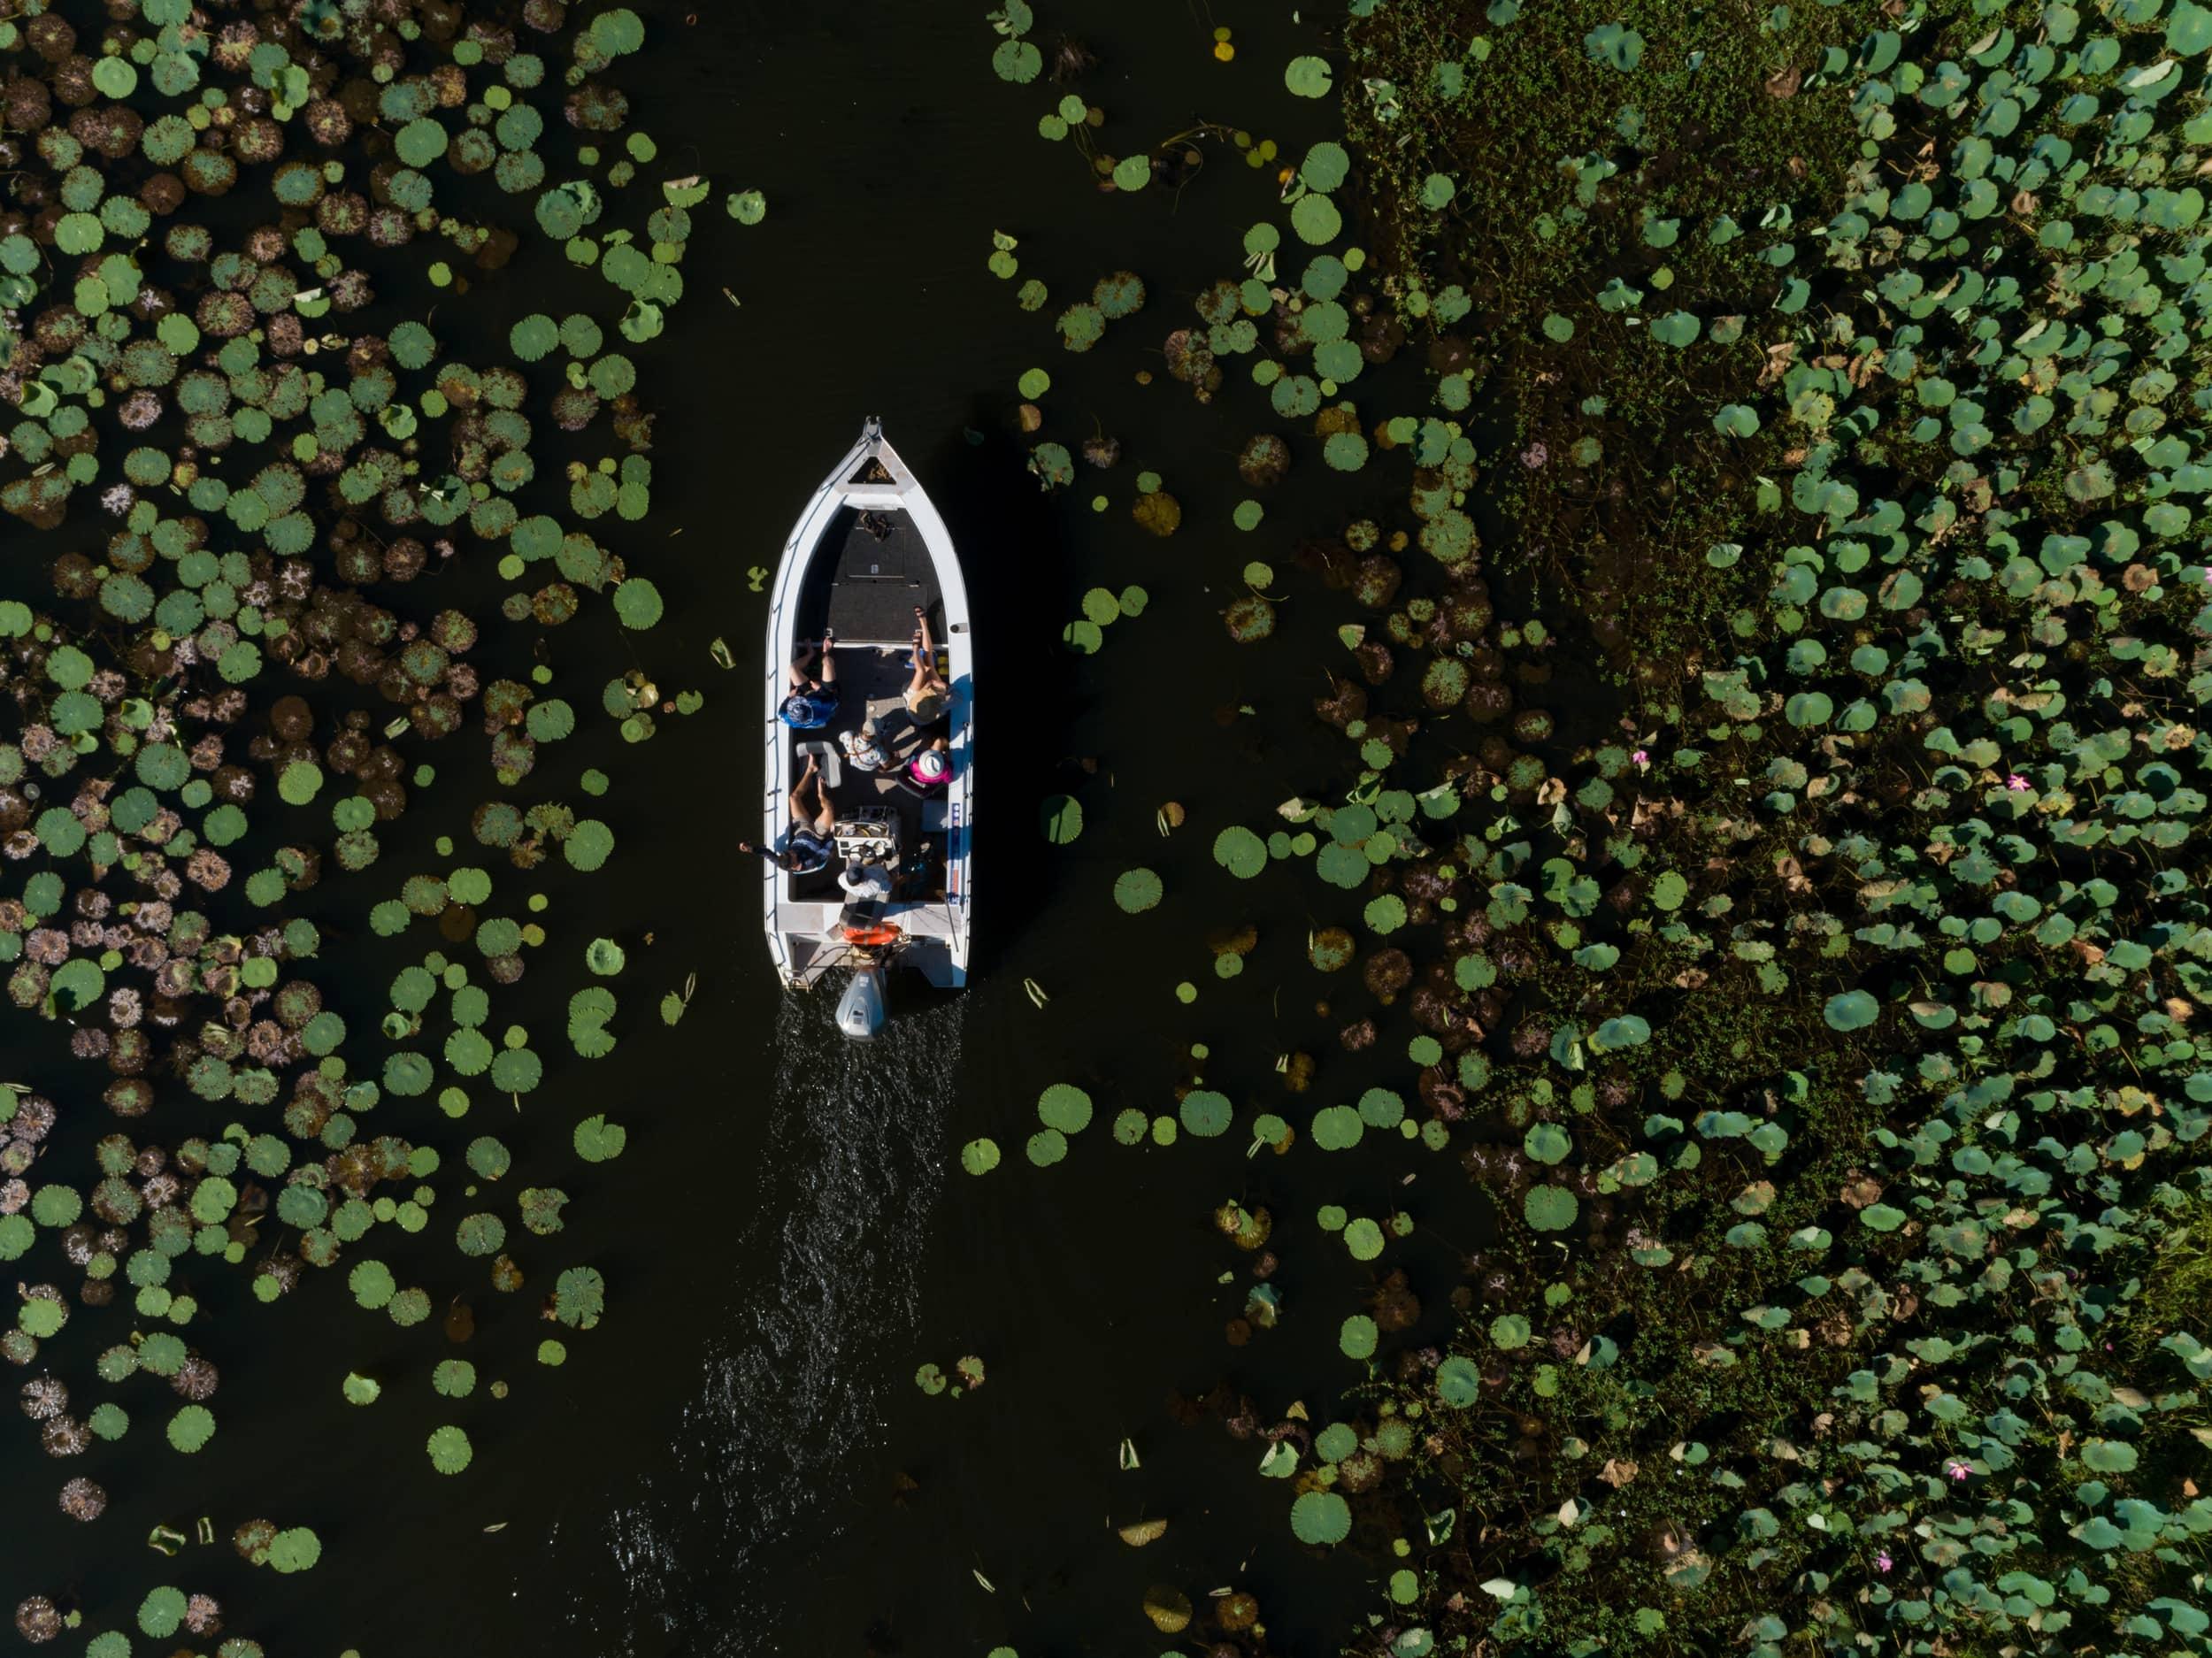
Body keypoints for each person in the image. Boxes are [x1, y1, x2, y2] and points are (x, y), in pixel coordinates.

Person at [738, 753, 837, 871]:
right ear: (795, 863)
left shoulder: (781, 861)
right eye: (790, 853)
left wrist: (751, 849)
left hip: (802, 829)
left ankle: (811, 769)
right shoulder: (810, 863)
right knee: (829, 808)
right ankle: (821, 794)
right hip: (818, 835)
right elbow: (825, 850)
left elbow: (767, 854)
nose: (790, 850)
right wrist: (832, 834)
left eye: (787, 851)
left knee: (793, 798)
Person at [778, 631, 841, 729]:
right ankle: (825, 652)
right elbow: (833, 700)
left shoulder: (785, 716)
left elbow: (780, 711)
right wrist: (819, 689)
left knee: (793, 669)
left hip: (808, 694)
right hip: (826, 696)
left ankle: (811, 654)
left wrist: (789, 697)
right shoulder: (823, 711)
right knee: (827, 662)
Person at [903, 606, 949, 726]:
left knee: (921, 670)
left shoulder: (913, 707)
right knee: (929, 661)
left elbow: (924, 676)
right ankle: (924, 622)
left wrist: (928, 684)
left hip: (914, 695)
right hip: (932, 695)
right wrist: (940, 685)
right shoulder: (937, 710)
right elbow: (946, 689)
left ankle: (915, 649)